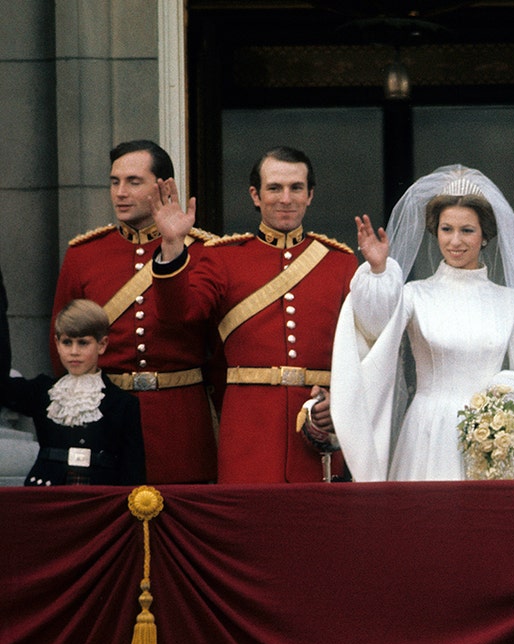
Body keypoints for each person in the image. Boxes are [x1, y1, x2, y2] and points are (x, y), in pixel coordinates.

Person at [330, 165, 514, 481]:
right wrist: (379, 272)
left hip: (490, 440)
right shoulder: (414, 295)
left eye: (467, 230)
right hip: (426, 433)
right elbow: (374, 330)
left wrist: (497, 415)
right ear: (435, 232)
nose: (455, 241)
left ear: (486, 235)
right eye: (446, 229)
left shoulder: (511, 302)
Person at [151, 146, 357, 483]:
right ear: (255, 195)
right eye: (274, 188)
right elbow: (178, 317)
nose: (285, 198)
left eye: (296, 188)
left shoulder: (340, 262)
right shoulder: (223, 258)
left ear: (310, 196)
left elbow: (360, 350)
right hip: (249, 429)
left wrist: (340, 400)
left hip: (317, 422)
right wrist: (173, 245)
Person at [51, 140, 217, 483]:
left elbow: (217, 349)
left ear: (164, 187)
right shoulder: (83, 254)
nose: (120, 193)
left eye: (133, 182)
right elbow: (62, 351)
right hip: (104, 416)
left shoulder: (203, 252)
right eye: (115, 182)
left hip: (179, 419)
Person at [1, 299, 145, 486]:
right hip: (47, 492)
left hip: (99, 498)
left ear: (102, 345)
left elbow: (133, 472)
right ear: (57, 343)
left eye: (83, 343)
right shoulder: (43, 391)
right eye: (67, 342)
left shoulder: (122, 403)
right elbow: (2, 384)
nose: (73, 352)